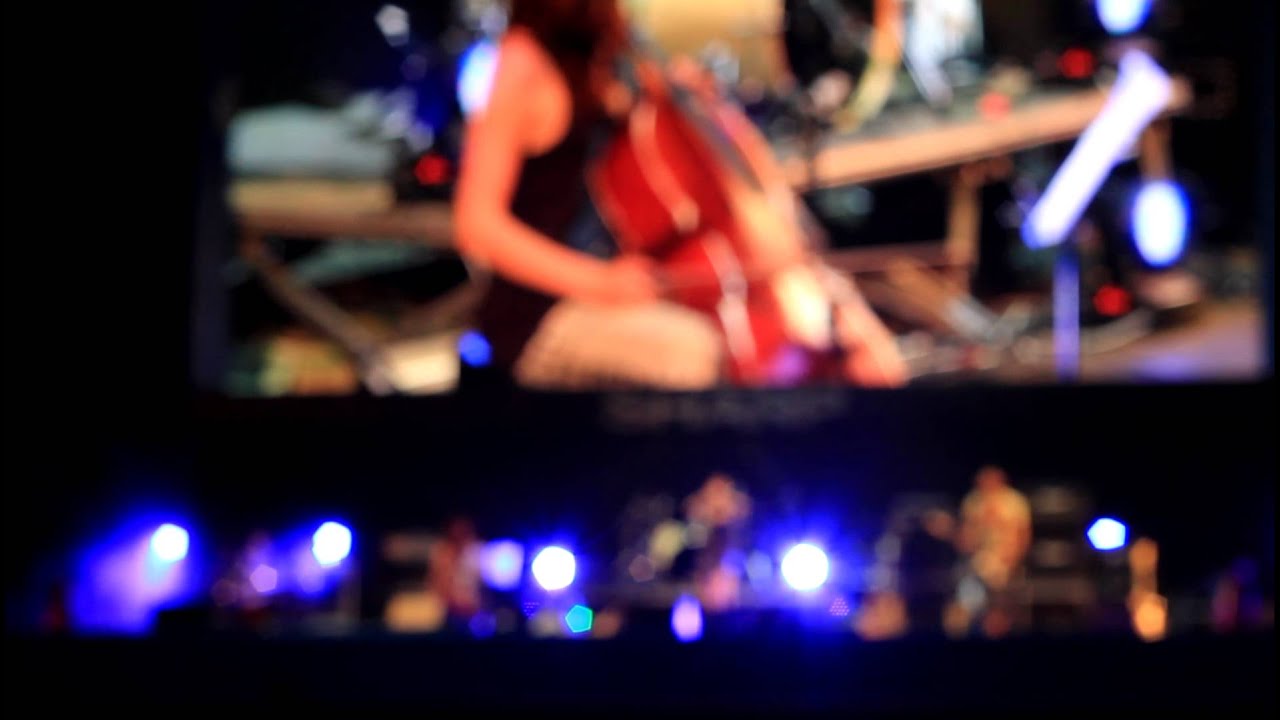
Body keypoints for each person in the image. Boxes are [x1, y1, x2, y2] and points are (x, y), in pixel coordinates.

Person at [453, 0, 906, 390]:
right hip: (547, 313)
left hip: (628, 291)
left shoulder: (612, 55)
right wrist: (596, 282)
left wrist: (695, 103)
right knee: (697, 354)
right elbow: (477, 225)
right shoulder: (521, 62)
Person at [950, 465, 1031, 637]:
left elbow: (1023, 537)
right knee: (964, 582)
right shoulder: (972, 501)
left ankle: (1001, 623)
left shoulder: (1014, 502)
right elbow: (965, 537)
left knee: (1004, 584)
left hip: (1008, 560)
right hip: (977, 561)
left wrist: (1011, 559)